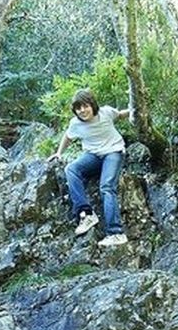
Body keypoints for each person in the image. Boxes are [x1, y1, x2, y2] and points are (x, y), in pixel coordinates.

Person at [47, 89, 131, 247]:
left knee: (106, 187)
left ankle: (116, 233)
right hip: (93, 155)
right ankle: (86, 215)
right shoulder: (75, 124)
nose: (82, 111)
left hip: (113, 152)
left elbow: (120, 114)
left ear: (92, 105)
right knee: (71, 169)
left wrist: (136, 109)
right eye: (78, 108)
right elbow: (68, 136)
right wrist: (59, 153)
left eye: (85, 106)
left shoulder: (106, 113)